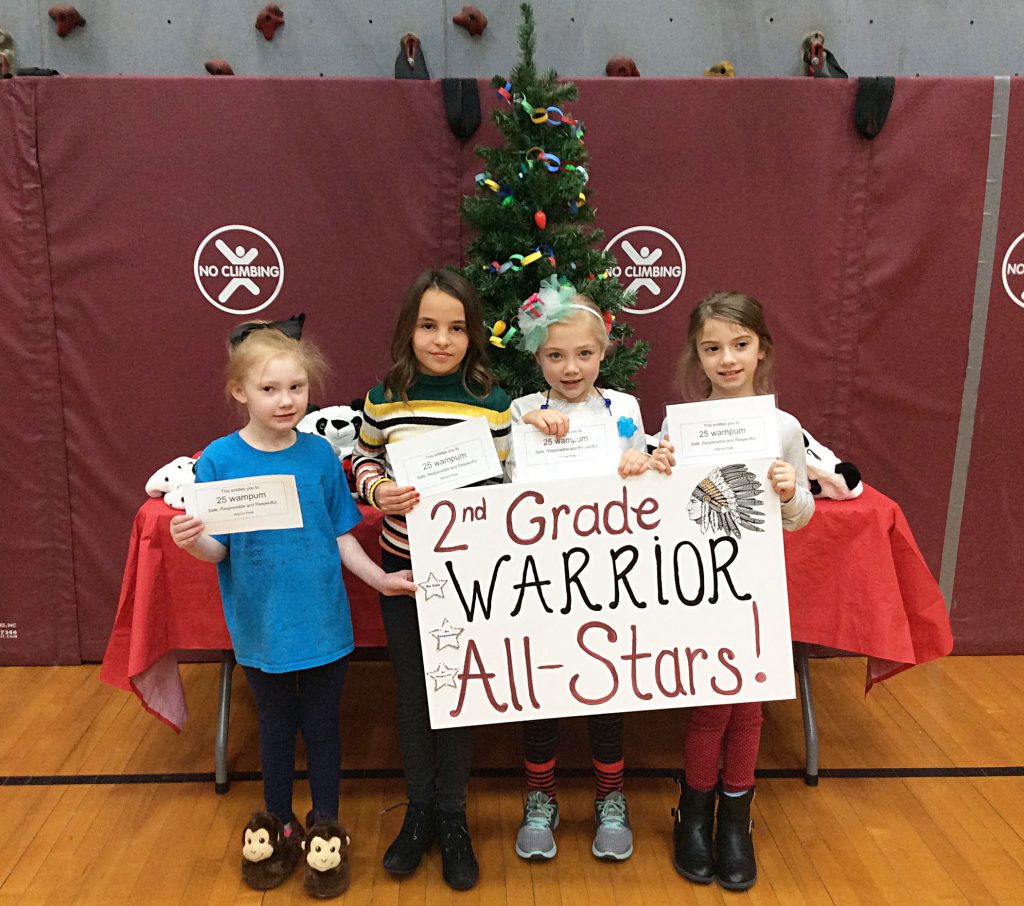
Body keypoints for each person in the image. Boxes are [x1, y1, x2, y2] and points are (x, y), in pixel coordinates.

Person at [169, 316, 416, 893]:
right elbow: (216, 549)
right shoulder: (219, 462)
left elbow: (340, 535)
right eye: (269, 389)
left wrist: (380, 580)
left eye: (297, 388)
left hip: (324, 624)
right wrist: (193, 542)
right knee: (277, 730)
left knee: (324, 729)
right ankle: (277, 825)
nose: (286, 400)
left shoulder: (319, 457)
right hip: (261, 628)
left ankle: (326, 830)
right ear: (240, 391)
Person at [352, 269, 511, 891]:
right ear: (408, 329)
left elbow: (503, 482)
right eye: (427, 326)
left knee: (459, 693)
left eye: (455, 327)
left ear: (473, 334)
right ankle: (417, 812)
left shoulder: (492, 403)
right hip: (403, 569)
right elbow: (362, 455)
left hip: (467, 572)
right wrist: (377, 488)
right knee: (413, 694)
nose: (441, 340)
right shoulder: (386, 396)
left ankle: (453, 816)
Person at [650, 291, 814, 892]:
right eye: (712, 347)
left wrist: (790, 487)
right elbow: (662, 512)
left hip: (758, 592)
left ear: (761, 349)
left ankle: (736, 822)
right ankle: (693, 815)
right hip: (702, 588)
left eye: (740, 345)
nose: (727, 359)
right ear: (697, 355)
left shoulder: (783, 427)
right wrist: (661, 467)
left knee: (750, 709)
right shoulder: (677, 425)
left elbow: (800, 516)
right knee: (711, 704)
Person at [505, 278, 652, 862]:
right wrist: (524, 435)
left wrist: (645, 461)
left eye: (584, 354)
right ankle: (540, 795)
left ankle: (610, 798)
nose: (570, 367)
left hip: (609, 576)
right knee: (540, 686)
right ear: (537, 356)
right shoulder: (520, 411)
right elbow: (501, 492)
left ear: (603, 352)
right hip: (540, 577)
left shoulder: (626, 409)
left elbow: (646, 481)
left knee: (604, 688)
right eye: (555, 355)